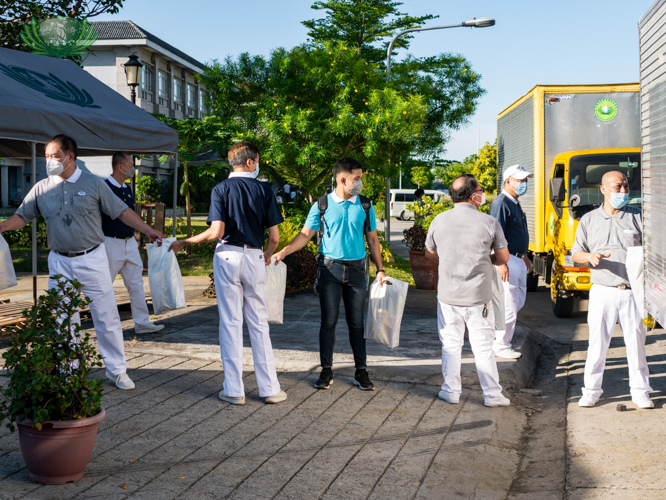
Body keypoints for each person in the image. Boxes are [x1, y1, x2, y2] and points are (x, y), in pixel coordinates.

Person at [0, 135, 163, 390]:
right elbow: (23, 216)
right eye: (46, 156)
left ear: (70, 157)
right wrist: (2, 227)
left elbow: (121, 211)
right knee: (63, 319)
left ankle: (116, 370)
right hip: (59, 262)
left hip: (93, 258)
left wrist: (148, 229)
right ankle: (69, 370)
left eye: (54, 155)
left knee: (106, 316)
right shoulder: (42, 188)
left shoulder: (94, 184)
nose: (49, 160)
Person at [168, 141, 287, 405]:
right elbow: (275, 238)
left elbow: (216, 232)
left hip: (227, 255)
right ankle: (269, 389)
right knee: (258, 322)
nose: (258, 165)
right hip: (254, 256)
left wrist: (186, 242)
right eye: (257, 160)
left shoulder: (221, 188)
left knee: (231, 322)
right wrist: (266, 255)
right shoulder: (264, 190)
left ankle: (234, 390)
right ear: (250, 161)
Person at [274, 157, 386, 391]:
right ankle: (326, 371)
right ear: (343, 179)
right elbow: (305, 235)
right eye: (357, 179)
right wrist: (284, 251)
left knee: (357, 324)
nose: (360, 183)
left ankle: (361, 372)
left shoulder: (365, 205)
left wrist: (380, 269)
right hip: (329, 269)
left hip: (357, 270)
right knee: (328, 322)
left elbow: (373, 238)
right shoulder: (322, 205)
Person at [425, 174, 511, 407]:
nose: (482, 193)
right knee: (483, 346)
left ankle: (450, 391)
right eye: (481, 190)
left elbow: (429, 253)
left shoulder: (439, 220)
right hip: (478, 297)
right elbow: (503, 257)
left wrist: (448, 260)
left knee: (451, 345)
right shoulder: (488, 222)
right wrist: (486, 258)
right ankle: (492, 395)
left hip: (447, 296)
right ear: (474, 196)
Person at [571, 171, 653, 409]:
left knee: (636, 344)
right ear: (604, 190)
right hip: (602, 290)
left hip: (633, 292)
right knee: (597, 344)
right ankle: (591, 391)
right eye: (618, 187)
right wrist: (589, 256)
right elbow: (576, 253)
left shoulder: (638, 217)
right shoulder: (589, 219)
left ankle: (640, 391)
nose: (623, 191)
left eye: (626, 187)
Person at [102, 152, 164, 334]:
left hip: (129, 242)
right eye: (131, 164)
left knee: (136, 283)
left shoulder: (127, 188)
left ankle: (142, 322)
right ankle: (106, 325)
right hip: (109, 243)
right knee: (105, 285)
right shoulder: (104, 188)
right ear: (121, 167)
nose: (133, 168)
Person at [490, 164, 533, 359]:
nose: (524, 184)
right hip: (506, 260)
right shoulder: (501, 204)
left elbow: (514, 233)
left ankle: (501, 340)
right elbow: (493, 235)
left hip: (517, 258)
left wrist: (524, 256)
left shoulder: (514, 202)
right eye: (521, 180)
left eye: (525, 180)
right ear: (508, 181)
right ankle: (500, 344)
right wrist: (499, 262)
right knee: (507, 304)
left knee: (516, 302)